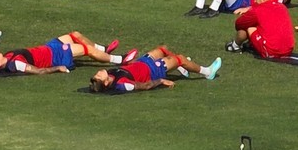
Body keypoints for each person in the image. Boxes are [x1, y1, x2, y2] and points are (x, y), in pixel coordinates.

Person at [89, 45, 221, 92]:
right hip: (153, 71)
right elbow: (144, 86)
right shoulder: (122, 84)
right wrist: (161, 81)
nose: (99, 72)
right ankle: (208, 72)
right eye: (99, 76)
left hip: (143, 62)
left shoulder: (110, 75)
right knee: (180, 58)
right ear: (106, 82)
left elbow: (127, 69)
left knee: (162, 49)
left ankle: (181, 68)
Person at [0, 33, 124, 75]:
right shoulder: (15, 64)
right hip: (56, 56)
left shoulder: (8, 56)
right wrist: (58, 68)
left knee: (75, 34)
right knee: (87, 50)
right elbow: (39, 71)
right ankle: (119, 60)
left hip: (49, 47)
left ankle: (104, 50)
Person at [227, 0, 296, 59]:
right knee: (266, 26)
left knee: (249, 27)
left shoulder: (258, 9)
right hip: (288, 49)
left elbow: (239, 24)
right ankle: (251, 44)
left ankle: (235, 46)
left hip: (271, 51)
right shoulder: (282, 7)